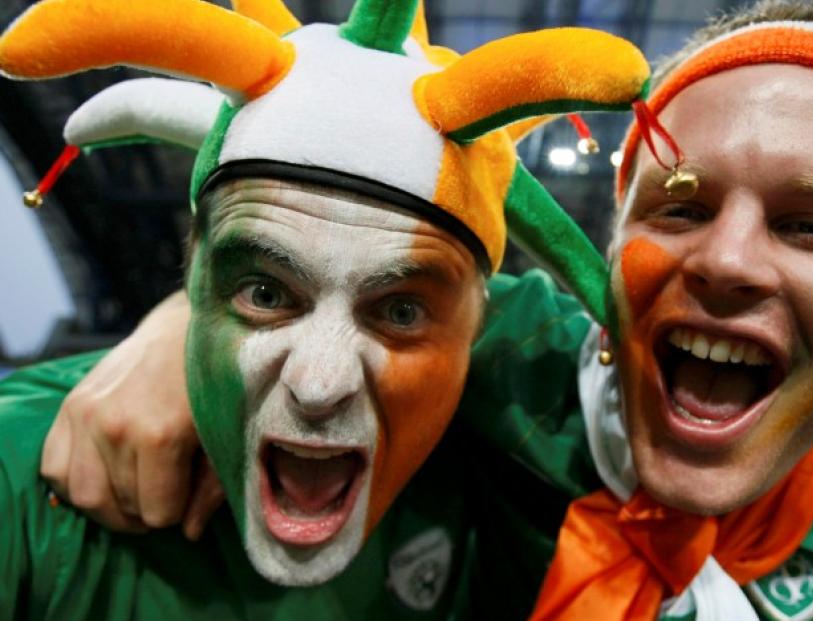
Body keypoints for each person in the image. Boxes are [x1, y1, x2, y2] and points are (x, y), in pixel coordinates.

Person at [25, 1, 813, 619]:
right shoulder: (514, 353)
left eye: (811, 225)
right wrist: (182, 326)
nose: (731, 261)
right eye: (681, 205)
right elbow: (362, 277)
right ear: (612, 234)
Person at [0, 0, 656, 617]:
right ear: (193, 276)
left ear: (476, 332)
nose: (319, 386)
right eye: (265, 292)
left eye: (399, 310)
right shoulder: (22, 475)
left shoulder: (508, 451)